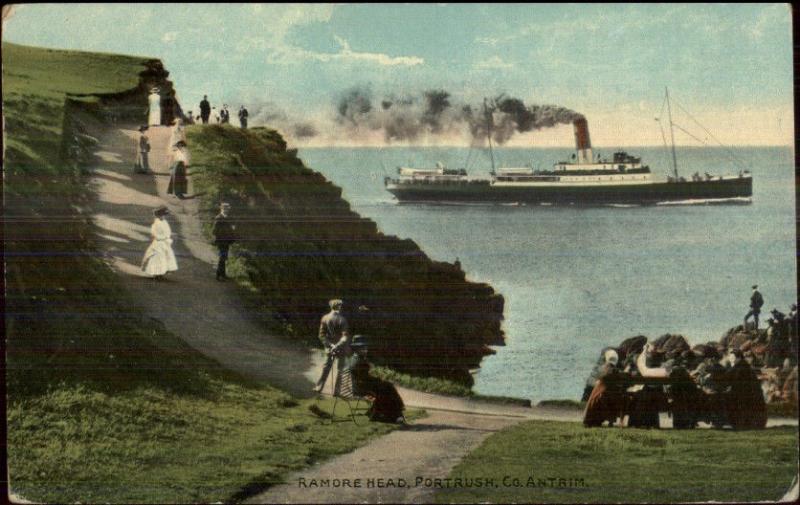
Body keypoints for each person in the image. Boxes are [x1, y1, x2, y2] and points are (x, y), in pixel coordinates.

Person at [348, 336, 405, 423]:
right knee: (386, 388)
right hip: (361, 388)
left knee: (387, 386)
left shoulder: (358, 359)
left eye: (365, 348)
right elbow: (364, 379)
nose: (365, 350)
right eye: (362, 348)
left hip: (362, 385)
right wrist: (378, 381)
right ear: (356, 349)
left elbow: (365, 377)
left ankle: (394, 414)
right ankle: (390, 415)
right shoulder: (357, 361)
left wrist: (378, 380)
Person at [314, 299, 351, 393]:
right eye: (341, 306)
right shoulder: (342, 319)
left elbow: (321, 335)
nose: (342, 308)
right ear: (338, 307)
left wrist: (330, 345)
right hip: (341, 348)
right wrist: (337, 346)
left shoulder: (325, 318)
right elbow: (345, 337)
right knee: (341, 369)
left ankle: (319, 387)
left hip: (329, 348)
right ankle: (337, 392)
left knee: (326, 368)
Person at [141, 206, 178, 279]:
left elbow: (167, 231)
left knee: (166, 257)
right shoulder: (156, 223)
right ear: (158, 216)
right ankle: (156, 274)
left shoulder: (164, 222)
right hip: (158, 243)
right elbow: (154, 234)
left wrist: (170, 236)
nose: (163, 217)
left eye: (164, 215)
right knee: (158, 258)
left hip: (165, 243)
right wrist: (163, 237)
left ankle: (161, 274)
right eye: (162, 215)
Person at [212, 202, 236, 281]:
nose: (226, 210)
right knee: (222, 258)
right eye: (225, 209)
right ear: (221, 209)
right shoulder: (219, 218)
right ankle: (219, 276)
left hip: (226, 241)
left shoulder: (227, 217)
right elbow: (214, 231)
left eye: (227, 209)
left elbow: (230, 229)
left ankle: (223, 274)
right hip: (221, 241)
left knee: (224, 257)